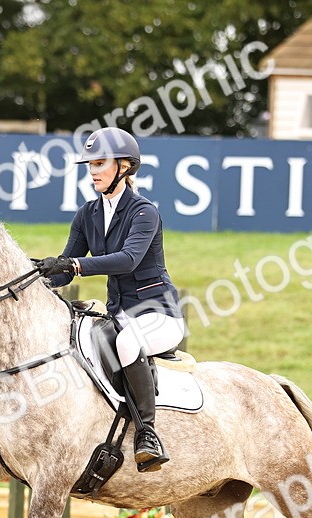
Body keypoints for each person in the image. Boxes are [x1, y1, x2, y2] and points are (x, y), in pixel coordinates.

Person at [38, 127, 184, 472]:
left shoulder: (144, 212)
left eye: (100, 163)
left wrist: (75, 265)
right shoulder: (87, 214)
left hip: (157, 313)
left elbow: (128, 259)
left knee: (129, 342)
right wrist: (34, 275)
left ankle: (148, 434)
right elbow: (63, 271)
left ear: (125, 167)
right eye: (90, 165)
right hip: (119, 315)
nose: (93, 171)